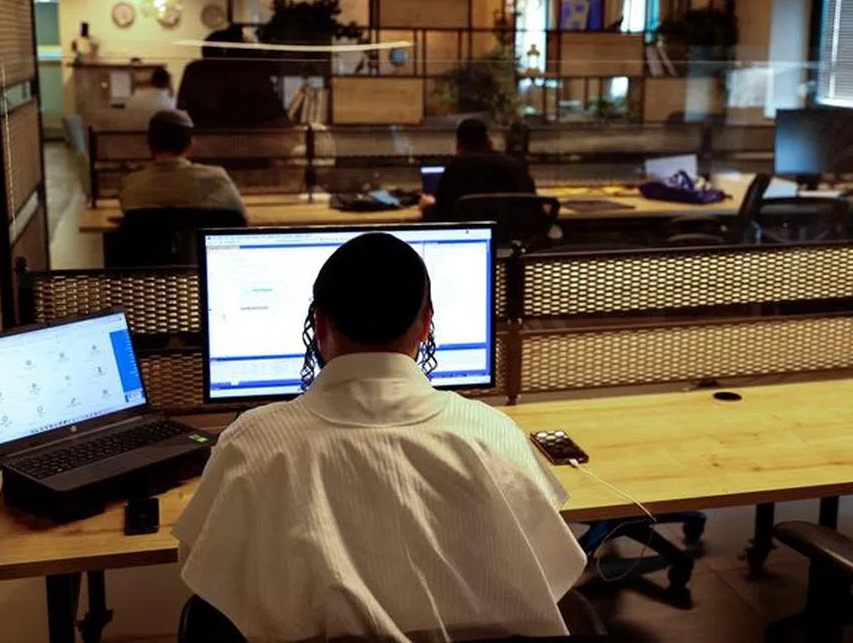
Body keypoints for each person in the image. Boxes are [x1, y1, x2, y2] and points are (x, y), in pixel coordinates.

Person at [175, 233, 585, 642]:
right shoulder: (491, 432)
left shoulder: (252, 445)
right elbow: (548, 569)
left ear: (318, 324)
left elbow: (200, 565)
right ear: (426, 324)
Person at [118, 109, 247, 220]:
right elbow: (241, 220)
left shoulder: (130, 185)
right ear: (190, 145)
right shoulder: (217, 179)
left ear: (149, 143)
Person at [421, 118, 536, 221]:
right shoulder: (515, 166)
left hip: (473, 240)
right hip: (515, 240)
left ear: (459, 144)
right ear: (488, 140)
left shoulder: (456, 168)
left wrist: (428, 207)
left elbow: (440, 218)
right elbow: (535, 213)